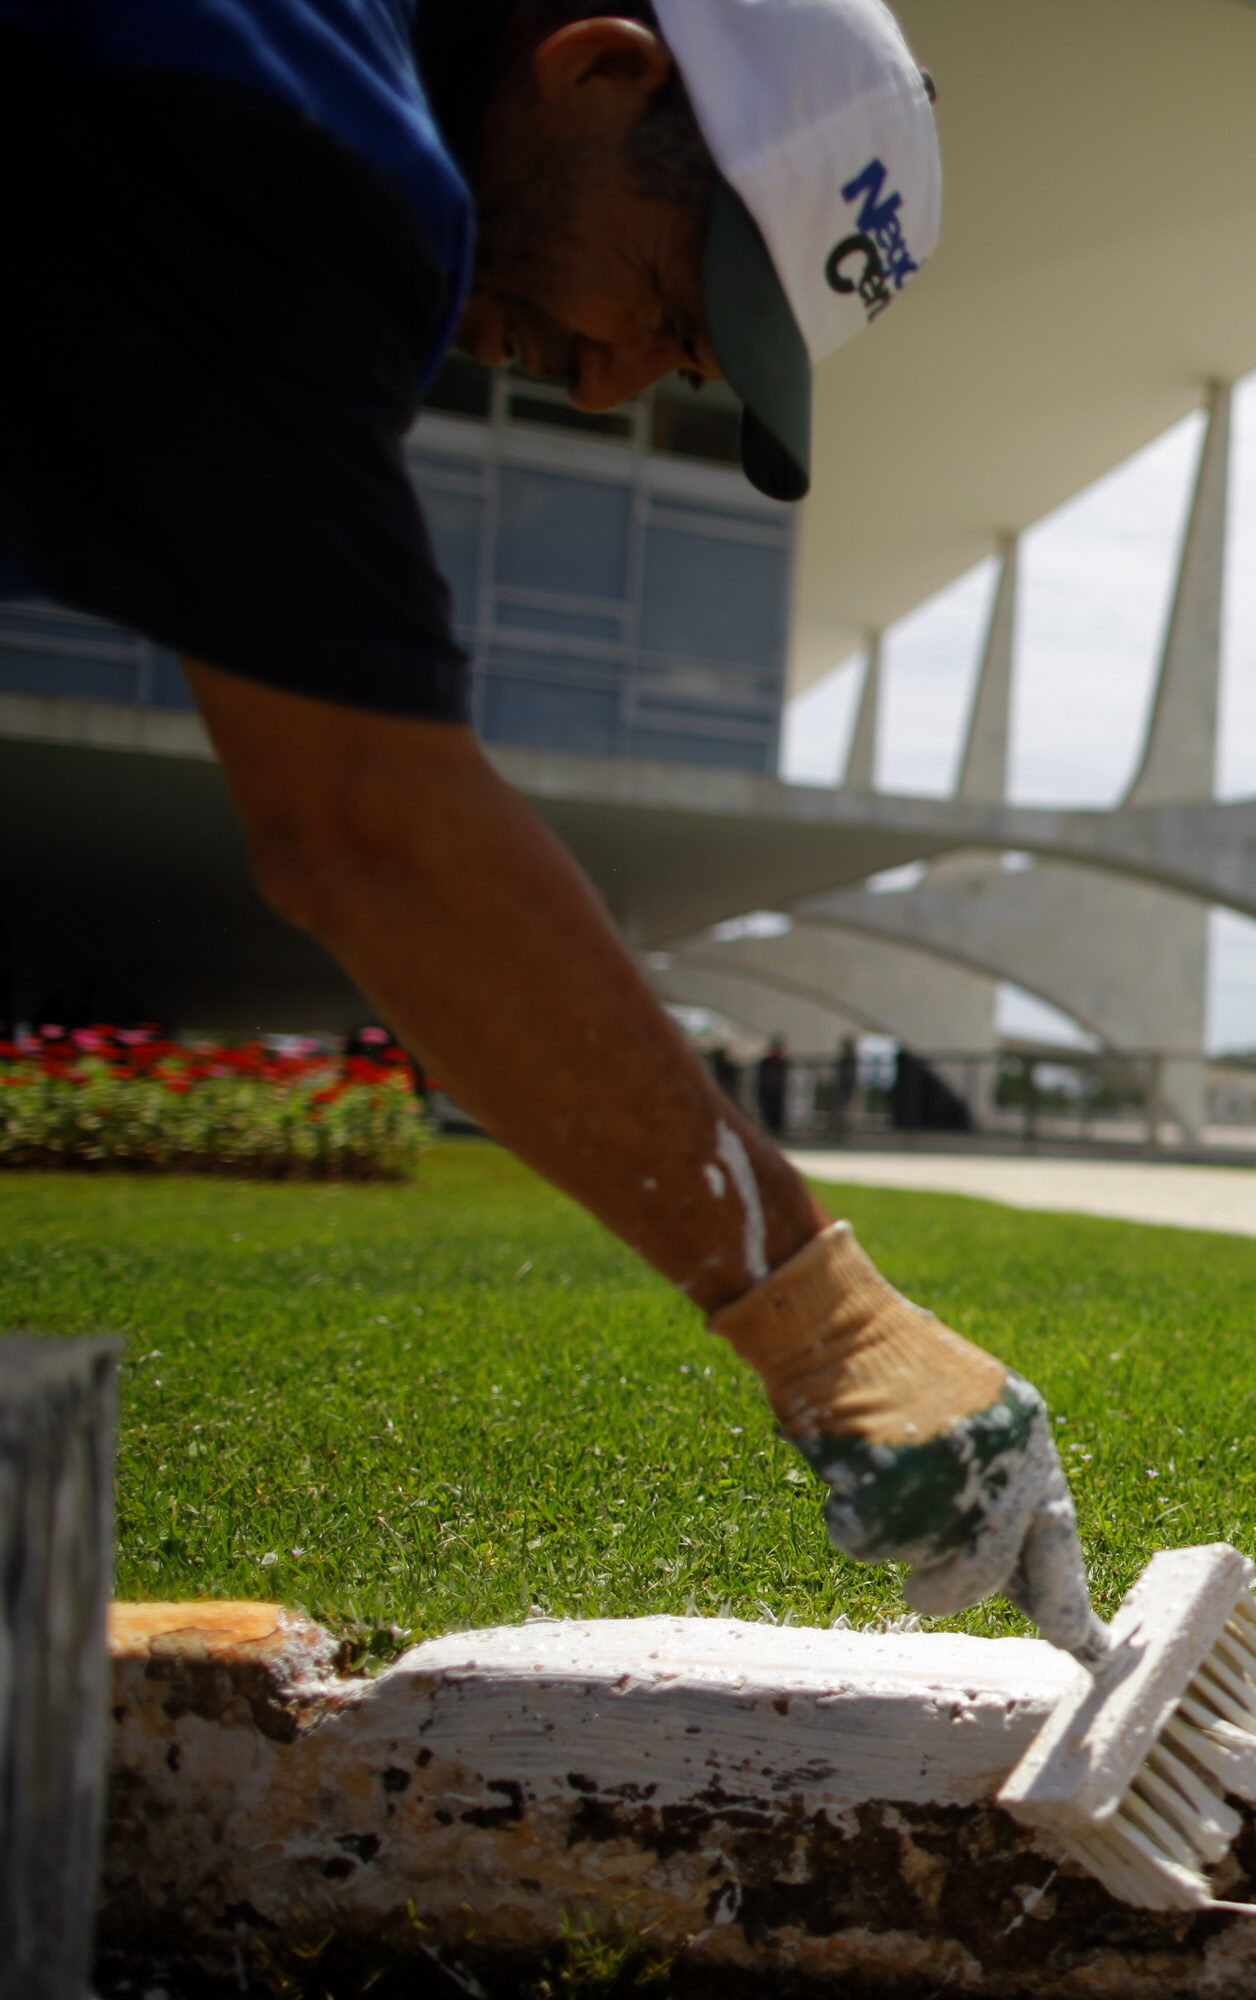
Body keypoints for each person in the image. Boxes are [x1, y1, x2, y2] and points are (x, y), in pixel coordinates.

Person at [0, 0, 1095, 1645]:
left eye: (677, 363)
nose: (602, 383)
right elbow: (363, 827)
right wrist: (826, 1318)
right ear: (599, 67)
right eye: (665, 301)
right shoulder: (297, 133)